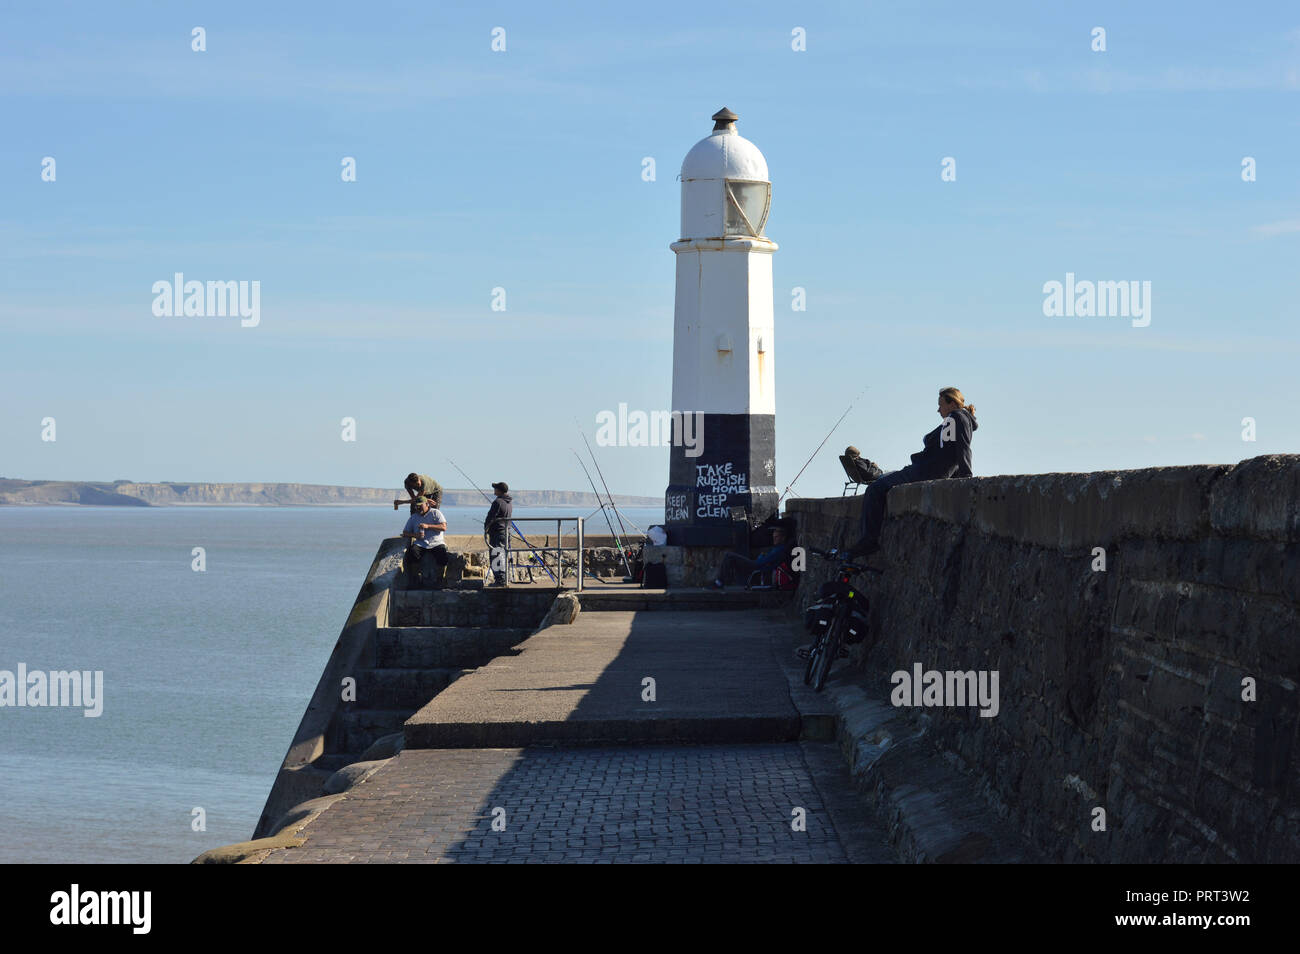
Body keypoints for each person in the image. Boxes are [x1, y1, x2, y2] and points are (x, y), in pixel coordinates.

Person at [848, 387, 978, 557]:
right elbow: (949, 452)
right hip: (927, 470)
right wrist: (955, 476)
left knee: (874, 489)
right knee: (883, 480)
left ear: (952, 403)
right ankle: (873, 472)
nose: (938, 409)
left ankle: (869, 540)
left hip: (924, 471)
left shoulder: (955, 417)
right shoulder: (956, 419)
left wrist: (966, 476)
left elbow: (962, 448)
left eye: (940, 405)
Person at [710, 523, 795, 590]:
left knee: (729, 556)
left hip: (757, 567)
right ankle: (721, 580)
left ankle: (719, 582)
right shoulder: (777, 548)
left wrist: (761, 556)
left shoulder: (779, 550)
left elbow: (760, 562)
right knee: (730, 558)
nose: (774, 538)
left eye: (776, 537)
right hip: (758, 565)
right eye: (774, 536)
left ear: (783, 538)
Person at [401, 496, 449, 589]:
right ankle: (416, 579)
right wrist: (416, 536)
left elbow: (443, 527)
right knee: (413, 554)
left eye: (420, 506)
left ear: (427, 504)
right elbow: (405, 532)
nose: (418, 508)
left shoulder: (436, 513)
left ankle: (440, 579)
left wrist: (428, 526)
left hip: (436, 542)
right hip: (421, 543)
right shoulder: (414, 517)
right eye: (417, 506)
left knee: (442, 555)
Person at [484, 481, 512, 586]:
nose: (494, 490)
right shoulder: (509, 502)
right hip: (506, 532)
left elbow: (491, 517)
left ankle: (500, 581)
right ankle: (504, 579)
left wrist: (486, 528)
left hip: (497, 533)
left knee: (496, 556)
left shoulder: (498, 502)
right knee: (503, 555)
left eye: (495, 488)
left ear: (499, 490)